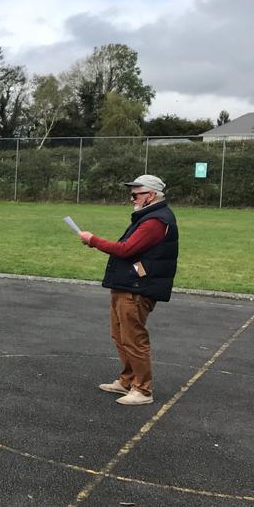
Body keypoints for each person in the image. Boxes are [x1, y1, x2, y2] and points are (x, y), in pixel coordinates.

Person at [78, 174, 178, 406]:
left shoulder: (155, 221)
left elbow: (125, 250)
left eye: (136, 194)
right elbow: (133, 253)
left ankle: (143, 390)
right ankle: (128, 381)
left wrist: (93, 240)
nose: (132, 198)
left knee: (133, 338)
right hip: (129, 283)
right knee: (120, 335)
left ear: (150, 195)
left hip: (137, 288)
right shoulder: (147, 216)